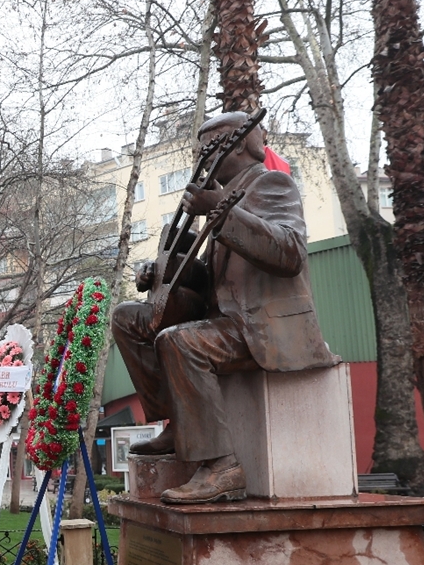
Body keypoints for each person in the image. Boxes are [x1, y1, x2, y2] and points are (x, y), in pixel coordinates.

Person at [111, 110, 337, 504]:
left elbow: (288, 254)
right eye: (200, 150)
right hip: (228, 318)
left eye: (212, 147)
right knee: (127, 318)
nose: (203, 157)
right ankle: (175, 424)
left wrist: (221, 213)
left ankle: (222, 468)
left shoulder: (272, 184)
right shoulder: (225, 198)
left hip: (262, 324)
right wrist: (165, 272)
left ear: (244, 144)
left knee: (179, 342)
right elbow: (215, 280)